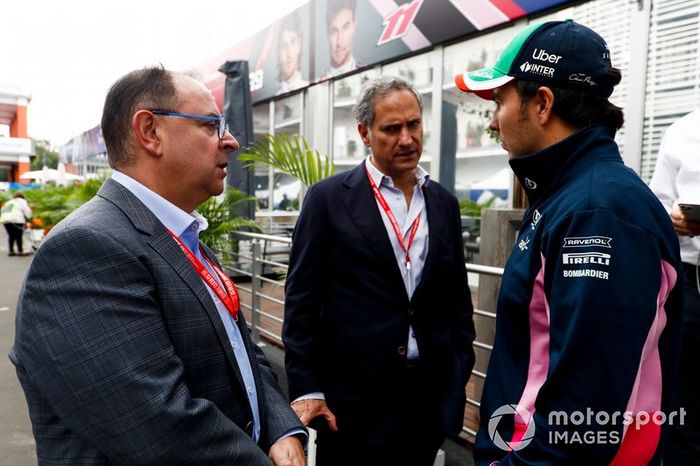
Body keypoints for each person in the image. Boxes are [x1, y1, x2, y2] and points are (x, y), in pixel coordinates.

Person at [10, 66, 305, 465]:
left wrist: (280, 426)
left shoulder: (179, 235)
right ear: (150, 131)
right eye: (211, 125)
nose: (231, 141)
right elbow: (161, 432)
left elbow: (240, 348)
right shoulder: (86, 250)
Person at [455, 20, 683, 465]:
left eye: (499, 101)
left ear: (542, 103)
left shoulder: (596, 211)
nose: (494, 121)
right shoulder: (573, 196)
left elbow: (584, 410)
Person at [283, 75, 476, 465]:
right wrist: (309, 391)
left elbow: (457, 300)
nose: (406, 138)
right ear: (365, 133)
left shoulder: (443, 204)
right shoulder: (327, 200)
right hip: (351, 409)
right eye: (391, 128)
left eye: (414, 124)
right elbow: (301, 302)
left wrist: (455, 385)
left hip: (426, 404)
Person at [649, 109, 700, 465]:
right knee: (684, 398)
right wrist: (676, 220)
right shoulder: (683, 130)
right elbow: (658, 206)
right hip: (690, 279)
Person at [319, 0, 361, 79]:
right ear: (327, 33)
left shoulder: (370, 77)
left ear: (354, 26)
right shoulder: (316, 86)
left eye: (345, 27)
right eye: (334, 31)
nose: (339, 42)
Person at [276, 13, 309, 96]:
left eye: (293, 43)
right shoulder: (275, 98)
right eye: (284, 46)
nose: (289, 54)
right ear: (279, 54)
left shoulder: (308, 88)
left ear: (299, 46)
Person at [1, 192, 32, 256]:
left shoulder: (9, 202)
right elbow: (27, 211)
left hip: (6, 220)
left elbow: (3, 210)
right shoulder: (22, 201)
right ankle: (20, 251)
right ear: (22, 197)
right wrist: (29, 218)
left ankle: (11, 251)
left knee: (11, 235)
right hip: (17, 220)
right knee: (18, 236)